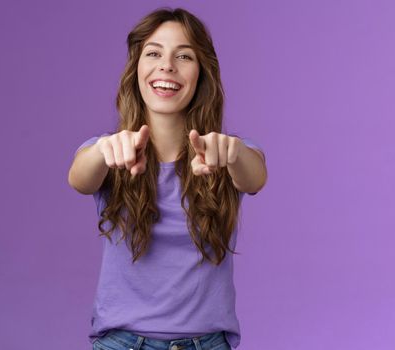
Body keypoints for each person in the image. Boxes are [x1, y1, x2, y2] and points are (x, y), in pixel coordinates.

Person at [68, 7, 267, 350]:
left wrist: (233, 155)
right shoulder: (108, 151)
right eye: (154, 53)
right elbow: (79, 178)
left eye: (184, 56)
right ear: (137, 69)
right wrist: (104, 151)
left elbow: (255, 177)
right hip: (120, 344)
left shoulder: (226, 153)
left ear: (202, 73)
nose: (167, 65)